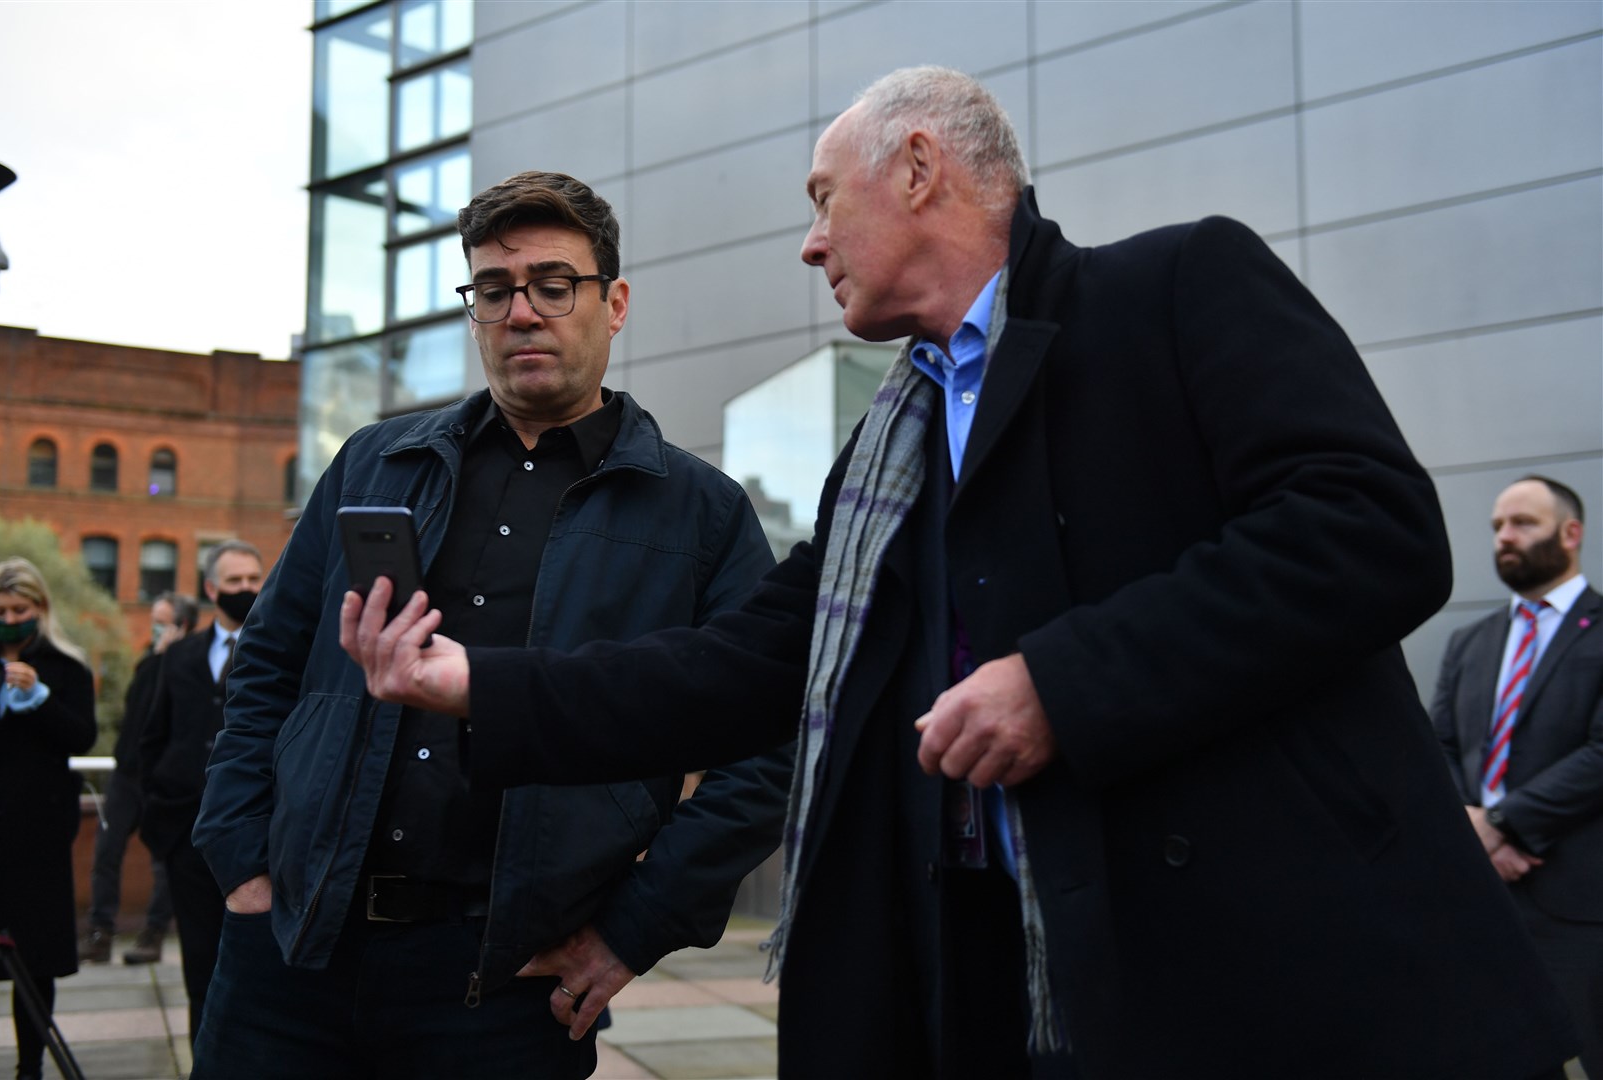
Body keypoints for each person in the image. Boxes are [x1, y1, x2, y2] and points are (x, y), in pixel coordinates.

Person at [342, 67, 1583, 1079]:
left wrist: (1062, 684)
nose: (811, 243)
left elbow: (1372, 529)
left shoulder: (1176, 287)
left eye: (827, 198)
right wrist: (479, 688)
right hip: (979, 983)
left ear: (922, 167)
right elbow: (741, 668)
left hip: (1260, 983)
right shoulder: (884, 449)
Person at [190, 170, 790, 1078]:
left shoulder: (700, 515)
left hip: (506, 984)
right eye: (495, 289)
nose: (522, 312)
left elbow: (770, 742)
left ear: (614, 303)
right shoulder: (373, 465)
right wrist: (240, 858)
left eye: (554, 285)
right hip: (291, 957)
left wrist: (632, 929)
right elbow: (267, 666)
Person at [1433, 475, 1603, 1077]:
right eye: (1498, 527)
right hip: (1487, 903)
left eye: (1523, 523)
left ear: (1571, 533)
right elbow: (1441, 748)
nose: (1505, 537)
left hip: (1581, 908)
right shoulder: (1470, 643)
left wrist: (1503, 824)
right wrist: (1475, 827)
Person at [138, 540, 263, 1045]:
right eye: (234, 582)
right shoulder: (181, 655)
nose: (246, 590)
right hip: (185, 833)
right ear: (211, 589)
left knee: (255, 971)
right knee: (198, 965)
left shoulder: (280, 646)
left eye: (254, 579)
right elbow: (152, 736)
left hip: (257, 837)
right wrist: (158, 818)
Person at [0, 556, 97, 1080]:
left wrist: (40, 700)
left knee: (35, 961)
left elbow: (81, 737)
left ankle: (30, 1067)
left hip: (38, 835)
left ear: (40, 609)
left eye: (19, 608)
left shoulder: (66, 668)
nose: (9, 618)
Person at [79, 591, 195, 967]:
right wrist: (158, 658)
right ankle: (100, 932)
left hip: (160, 778)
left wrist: (168, 658)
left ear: (183, 627)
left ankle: (154, 933)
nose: (154, 627)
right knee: (107, 852)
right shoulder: (148, 663)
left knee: (163, 861)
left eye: (163, 620)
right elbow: (137, 709)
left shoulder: (188, 667)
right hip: (127, 774)